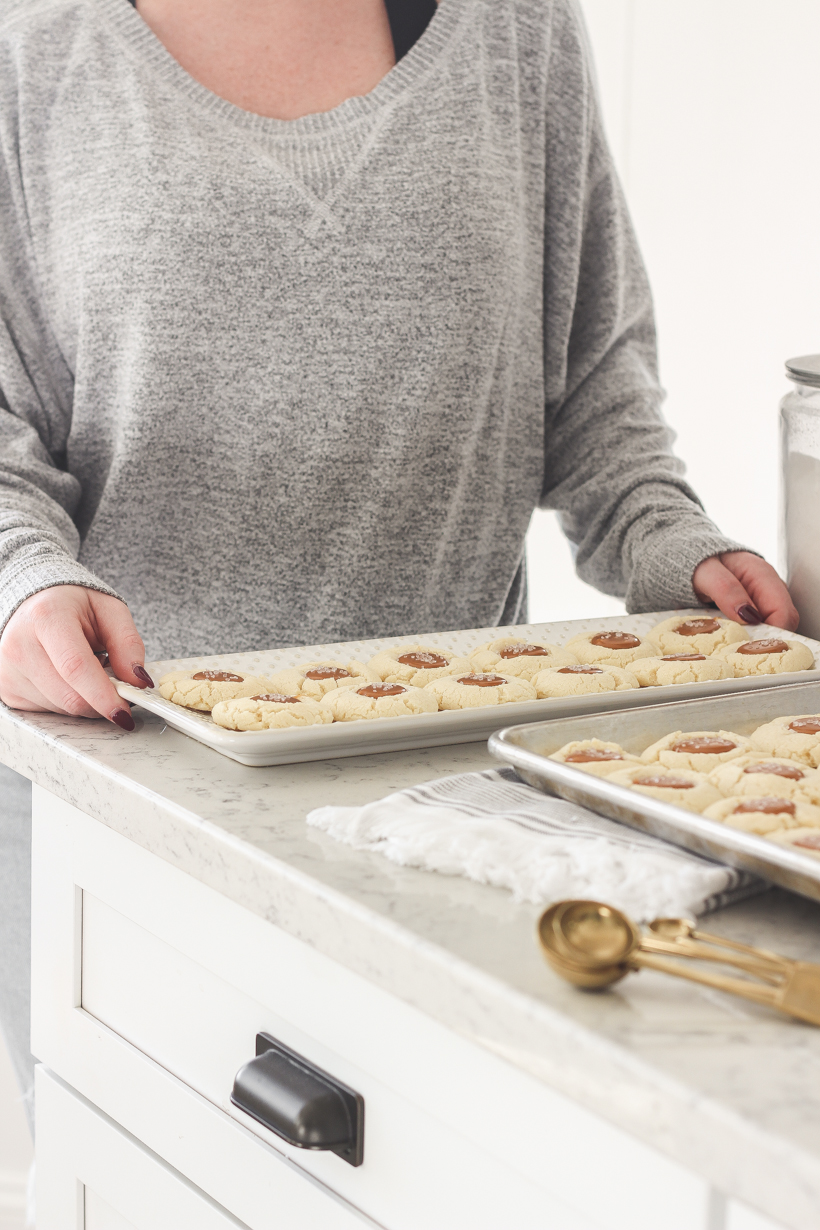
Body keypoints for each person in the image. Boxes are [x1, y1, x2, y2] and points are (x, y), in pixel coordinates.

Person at [0, 0, 798, 1136]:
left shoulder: (517, 28)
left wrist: (667, 540)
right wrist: (24, 577)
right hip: (124, 782)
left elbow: (592, 384)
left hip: (446, 809)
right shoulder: (32, 42)